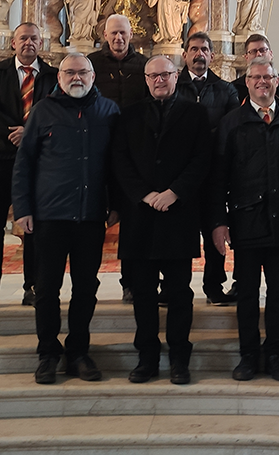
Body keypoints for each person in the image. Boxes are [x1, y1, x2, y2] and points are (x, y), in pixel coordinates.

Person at [12, 53, 120, 384]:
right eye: (70, 72)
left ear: (92, 76)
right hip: (49, 215)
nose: (77, 77)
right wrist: (23, 209)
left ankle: (78, 352)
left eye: (83, 72)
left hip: (90, 216)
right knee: (46, 288)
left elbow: (118, 164)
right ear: (59, 78)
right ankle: (48, 353)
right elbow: (24, 163)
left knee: (86, 288)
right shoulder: (43, 110)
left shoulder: (109, 111)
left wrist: (115, 204)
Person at [212, 57, 279, 383]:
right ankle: (248, 356)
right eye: (256, 77)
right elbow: (218, 178)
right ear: (247, 82)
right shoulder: (232, 123)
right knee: (246, 294)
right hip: (246, 223)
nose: (262, 82)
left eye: (268, 77)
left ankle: (274, 355)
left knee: (277, 295)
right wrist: (218, 222)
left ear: (276, 81)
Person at [112, 55, 211, 385]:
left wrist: (174, 192)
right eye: (153, 75)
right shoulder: (129, 115)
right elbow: (120, 162)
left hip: (178, 216)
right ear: (145, 78)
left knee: (180, 293)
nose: (159, 80)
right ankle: (147, 358)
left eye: (165, 74)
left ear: (176, 75)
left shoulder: (196, 114)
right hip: (140, 216)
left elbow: (201, 160)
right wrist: (144, 194)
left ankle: (180, 359)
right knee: (142, 294)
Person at [0, 23, 58, 312]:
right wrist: (18, 131)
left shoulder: (53, 76)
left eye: (34, 38)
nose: (29, 43)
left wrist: (29, 133)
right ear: (13, 43)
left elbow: (55, 111)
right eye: (23, 38)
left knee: (35, 223)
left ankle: (32, 286)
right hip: (1, 154)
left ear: (40, 44)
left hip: (38, 157)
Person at [174, 31, 240, 306]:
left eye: (204, 49)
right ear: (185, 54)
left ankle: (214, 285)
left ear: (212, 56)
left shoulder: (226, 90)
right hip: (182, 174)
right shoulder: (173, 86)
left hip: (215, 173)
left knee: (216, 230)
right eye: (194, 49)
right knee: (180, 233)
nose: (199, 54)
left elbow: (233, 129)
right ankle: (175, 287)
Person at [88, 13, 149, 303]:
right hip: (98, 150)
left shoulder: (144, 65)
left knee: (133, 221)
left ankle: (132, 282)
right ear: (105, 34)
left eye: (123, 33)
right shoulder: (91, 64)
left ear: (131, 34)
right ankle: (87, 281)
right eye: (113, 33)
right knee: (93, 219)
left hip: (135, 153)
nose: (118, 38)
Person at [229, 33, 279, 102]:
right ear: (246, 57)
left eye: (263, 50)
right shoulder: (233, 89)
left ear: (271, 54)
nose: (259, 54)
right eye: (253, 51)